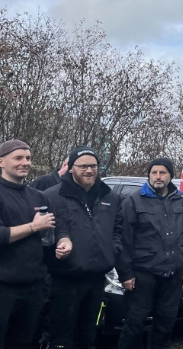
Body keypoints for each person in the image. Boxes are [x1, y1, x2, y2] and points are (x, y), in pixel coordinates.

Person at [45, 146, 123, 349]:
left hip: (97, 280)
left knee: (89, 336)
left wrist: (112, 250)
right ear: (71, 168)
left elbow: (119, 229)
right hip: (64, 280)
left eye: (94, 166)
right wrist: (57, 248)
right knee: (61, 338)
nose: (89, 170)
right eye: (83, 166)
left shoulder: (110, 197)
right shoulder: (52, 196)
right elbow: (45, 233)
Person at [116, 158, 183, 349]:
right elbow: (124, 239)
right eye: (154, 172)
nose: (158, 176)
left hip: (172, 273)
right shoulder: (134, 201)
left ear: (170, 175)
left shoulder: (182, 200)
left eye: (163, 172)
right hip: (143, 273)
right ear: (149, 175)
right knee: (135, 322)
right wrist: (126, 274)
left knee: (166, 321)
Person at [0, 140, 56, 349]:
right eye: (18, 158)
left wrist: (62, 243)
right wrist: (33, 227)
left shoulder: (38, 196)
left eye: (28, 158)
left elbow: (50, 232)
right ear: (1, 162)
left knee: (23, 342)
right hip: (4, 287)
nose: (25, 163)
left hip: (33, 288)